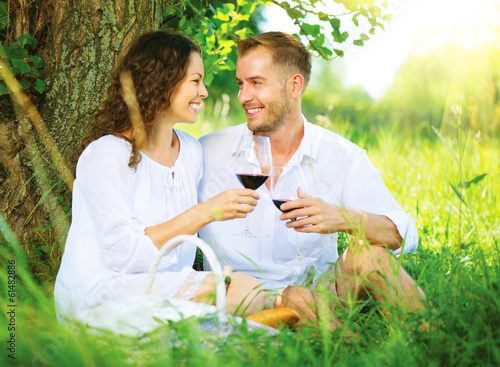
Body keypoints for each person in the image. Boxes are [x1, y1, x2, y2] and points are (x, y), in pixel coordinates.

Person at [198, 31, 425, 328]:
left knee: (368, 255)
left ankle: (433, 342)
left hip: (322, 294)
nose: (243, 96)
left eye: (256, 83)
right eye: (241, 84)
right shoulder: (207, 152)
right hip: (239, 297)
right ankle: (352, 352)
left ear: (294, 85)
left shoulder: (342, 155)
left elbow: (403, 233)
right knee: (296, 299)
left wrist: (342, 218)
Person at [54, 31, 266, 321]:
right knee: (248, 294)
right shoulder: (106, 153)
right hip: (105, 293)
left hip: (164, 286)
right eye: (195, 81)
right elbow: (124, 256)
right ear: (162, 81)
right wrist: (203, 213)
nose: (203, 92)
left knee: (250, 293)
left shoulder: (190, 150)